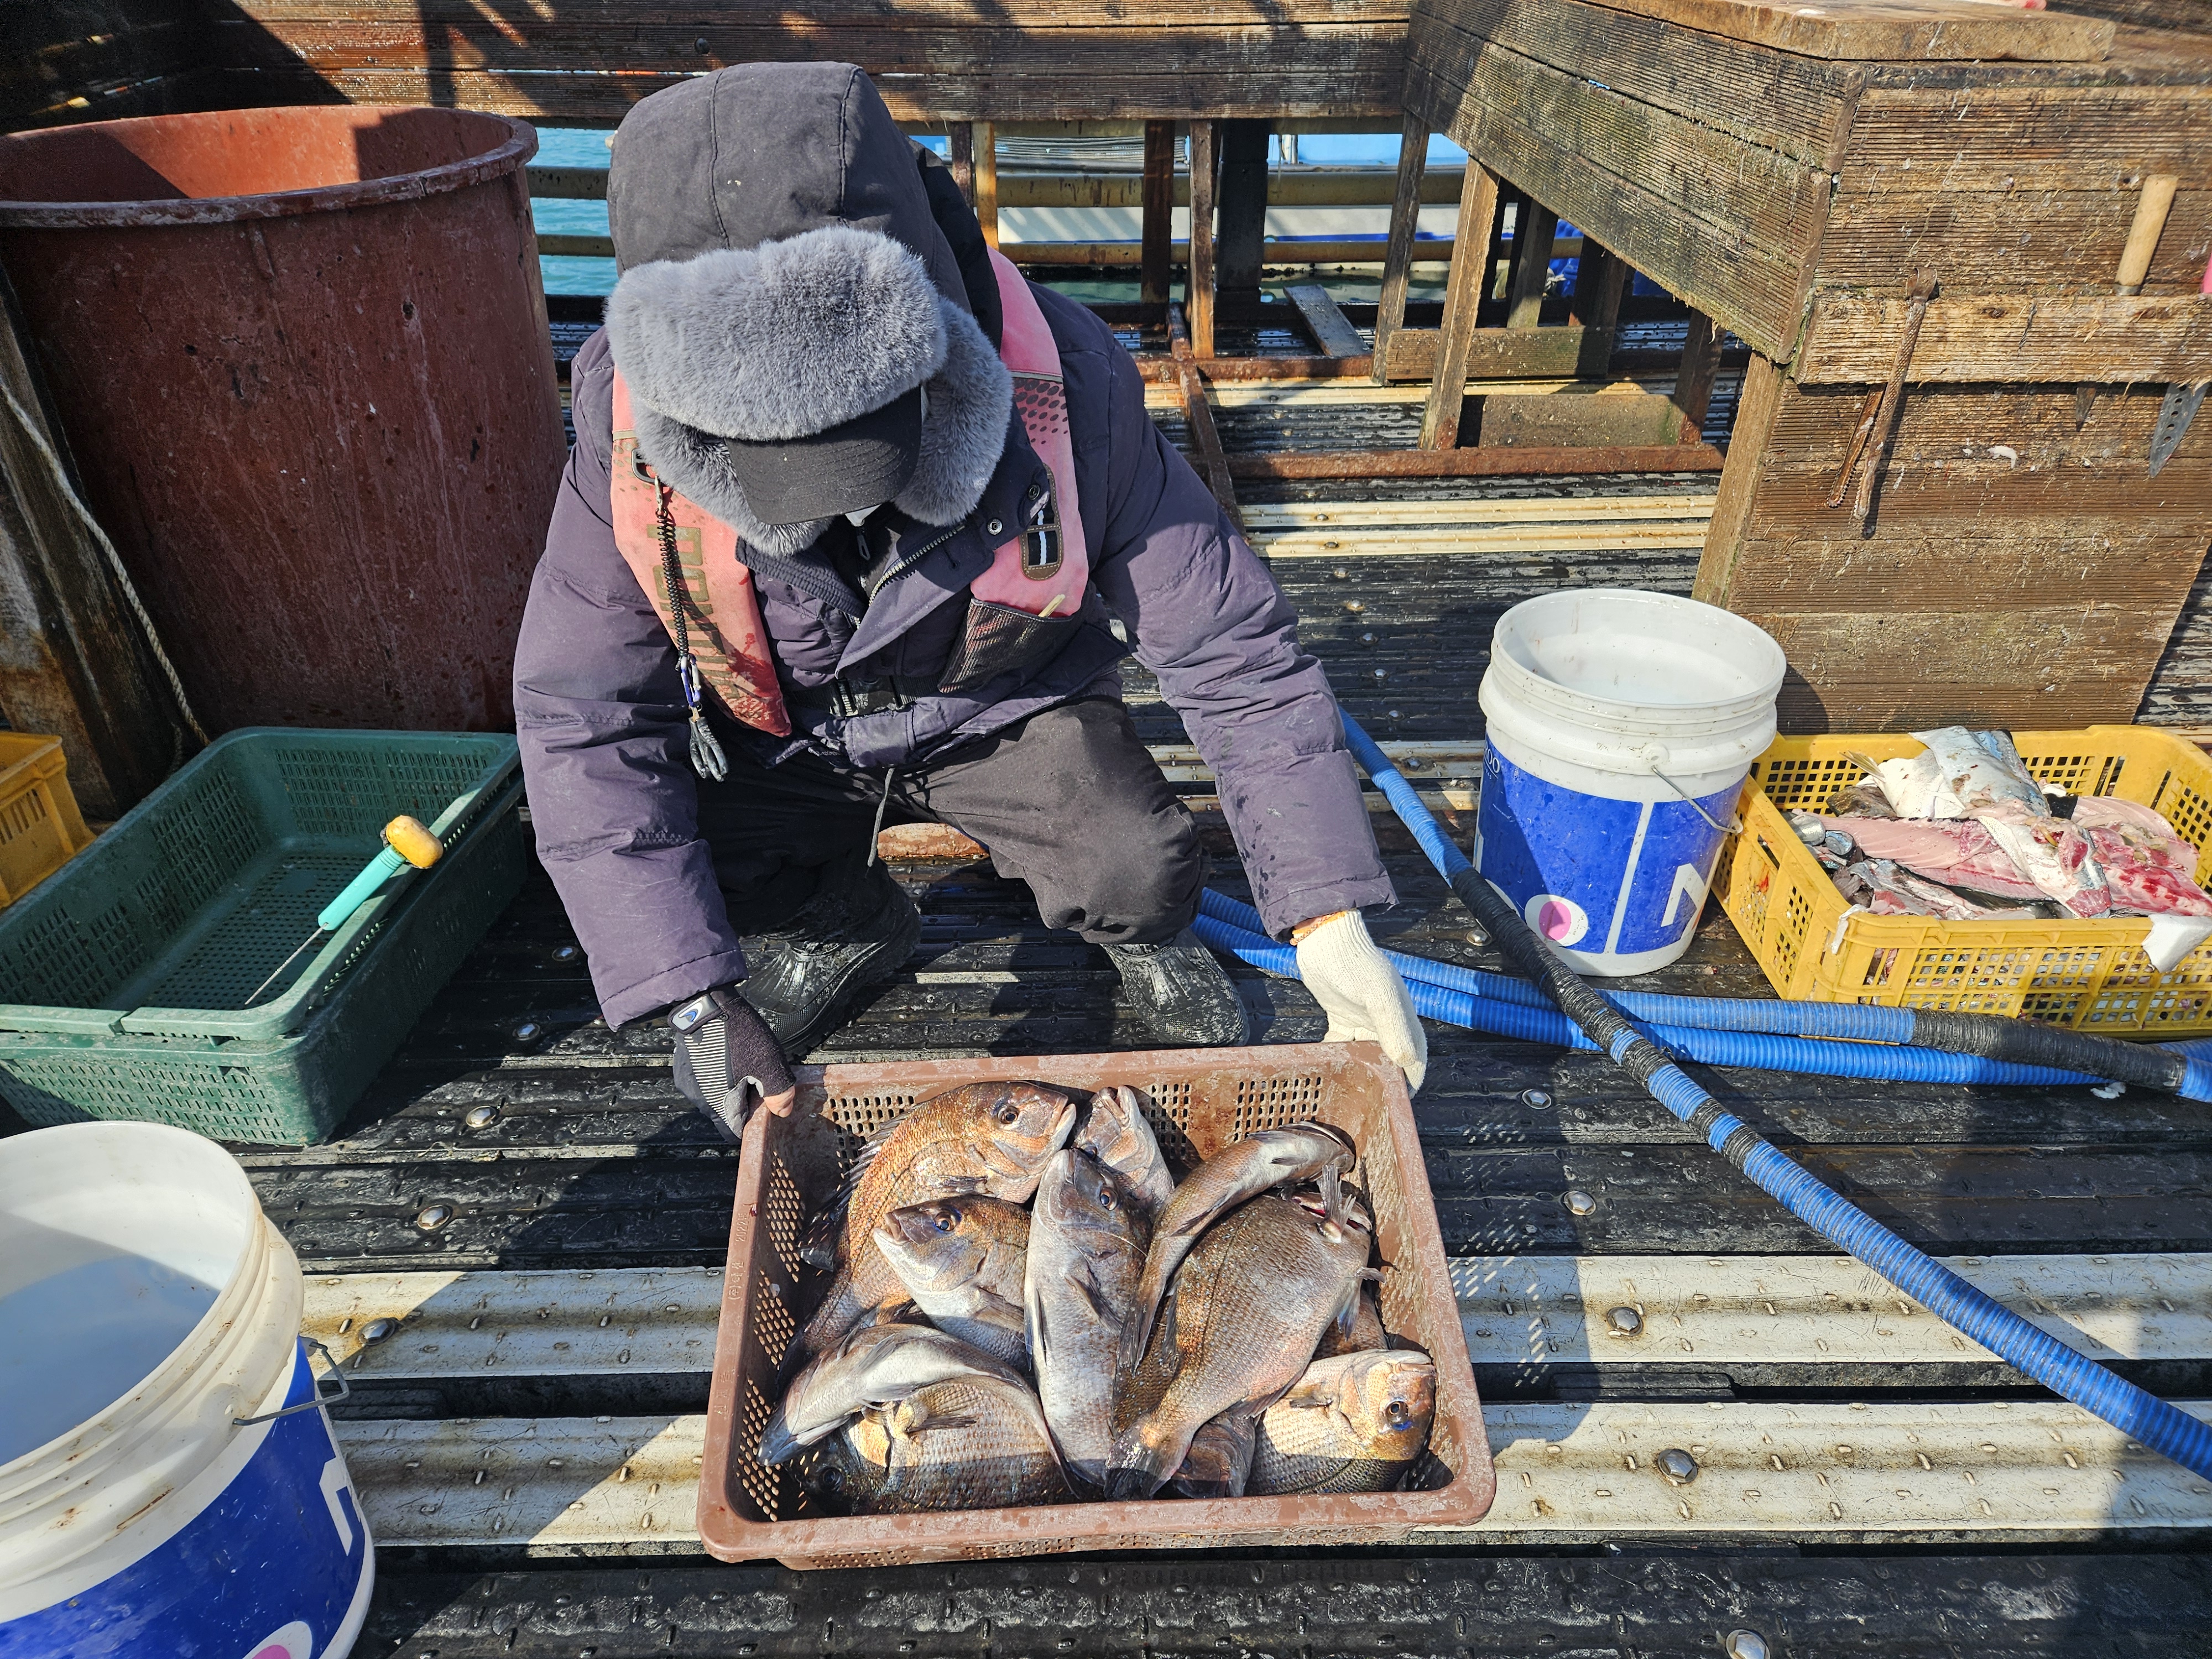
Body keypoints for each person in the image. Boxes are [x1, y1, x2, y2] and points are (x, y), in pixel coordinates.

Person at [513, 62, 1426, 1139]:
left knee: (1136, 868)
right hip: (786, 737)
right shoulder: (620, 434)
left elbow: (1233, 650)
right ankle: (850, 919)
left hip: (999, 714)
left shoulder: (1071, 381)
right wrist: (691, 1000)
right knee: (671, 876)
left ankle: (1139, 936)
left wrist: (1326, 917)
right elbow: (584, 714)